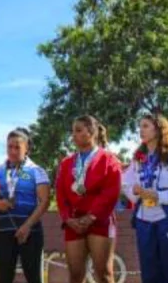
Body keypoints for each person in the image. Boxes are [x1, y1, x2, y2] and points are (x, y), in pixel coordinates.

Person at [121, 115, 168, 283]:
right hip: (144, 219)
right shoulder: (139, 158)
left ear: (159, 129)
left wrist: (159, 196)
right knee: (149, 272)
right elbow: (124, 182)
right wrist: (136, 192)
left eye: (145, 126)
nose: (141, 130)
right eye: (140, 127)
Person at [55, 115, 121, 283]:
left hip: (99, 221)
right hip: (73, 223)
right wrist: (68, 218)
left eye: (78, 130)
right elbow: (61, 193)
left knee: (104, 274)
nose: (73, 135)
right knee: (75, 275)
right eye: (73, 131)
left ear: (91, 132)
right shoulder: (66, 163)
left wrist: (92, 216)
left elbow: (111, 191)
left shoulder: (109, 159)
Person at [0, 128, 50, 283]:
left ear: (26, 148)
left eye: (17, 147)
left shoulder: (37, 171)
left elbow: (45, 201)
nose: (13, 151)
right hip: (4, 231)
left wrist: (27, 226)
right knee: (4, 278)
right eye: (9, 147)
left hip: (31, 232)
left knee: (34, 278)